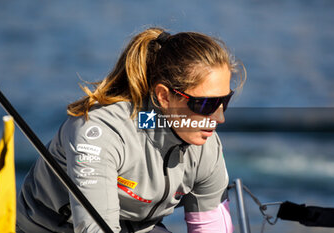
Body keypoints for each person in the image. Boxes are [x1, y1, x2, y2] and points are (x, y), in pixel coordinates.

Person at [16, 27, 246, 233]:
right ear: (164, 96)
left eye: (224, 101)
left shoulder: (205, 145)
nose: (219, 118)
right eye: (206, 104)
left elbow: (211, 227)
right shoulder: (100, 133)